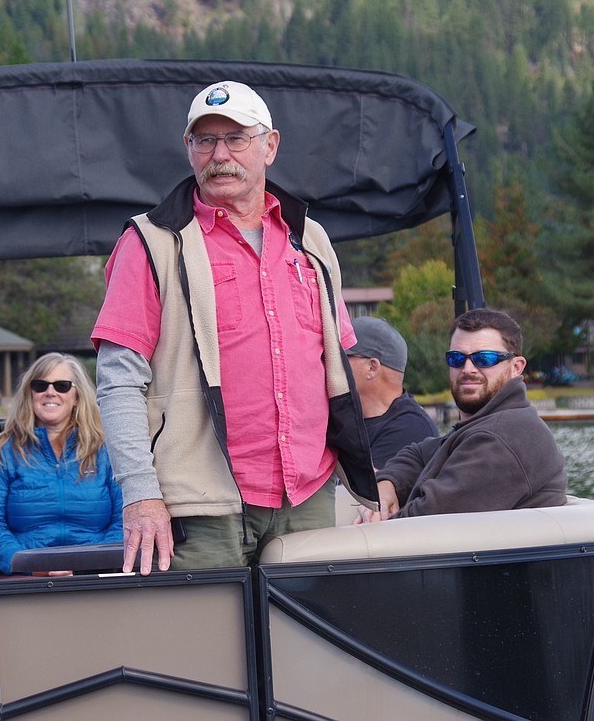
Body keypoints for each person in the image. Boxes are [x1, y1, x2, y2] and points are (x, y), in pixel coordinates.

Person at [92, 80, 374, 575]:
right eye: (205, 141)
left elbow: (341, 372)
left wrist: (368, 482)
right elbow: (118, 381)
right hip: (198, 507)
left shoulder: (311, 240)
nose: (220, 154)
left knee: (309, 647)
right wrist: (140, 496)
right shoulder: (149, 243)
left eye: (236, 138)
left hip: (308, 494)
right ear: (189, 150)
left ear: (270, 145)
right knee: (198, 651)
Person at [358, 308, 567, 521]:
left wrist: (372, 523)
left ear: (516, 367)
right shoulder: (487, 424)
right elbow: (418, 454)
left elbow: (426, 520)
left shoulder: (504, 437)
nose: (468, 368)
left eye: (484, 359)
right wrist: (387, 486)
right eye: (457, 358)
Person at [0, 353, 123, 576]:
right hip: (26, 578)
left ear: (77, 396)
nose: (50, 392)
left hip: (93, 576)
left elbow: (126, 518)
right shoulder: (4, 451)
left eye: (61, 386)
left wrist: (88, 565)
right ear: (30, 394)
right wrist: (32, 567)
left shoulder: (106, 450)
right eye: (40, 385)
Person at [345, 316, 439, 468]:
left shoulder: (412, 429)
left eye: (342, 357)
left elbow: (367, 489)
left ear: (372, 367)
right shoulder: (346, 419)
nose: (330, 364)